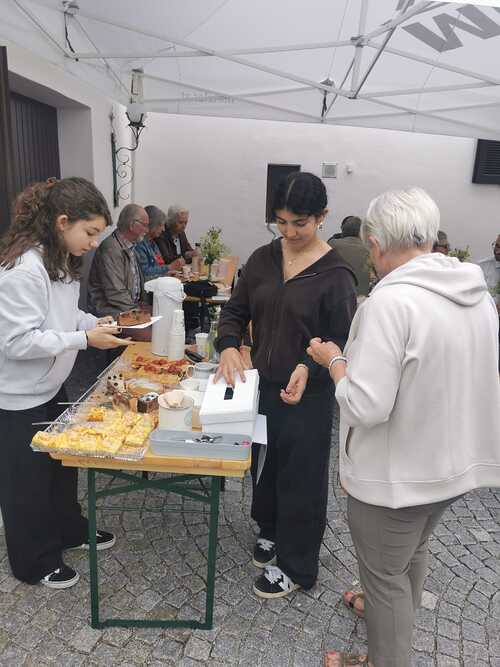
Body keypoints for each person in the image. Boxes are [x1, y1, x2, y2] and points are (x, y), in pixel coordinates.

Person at [307, 188, 500, 667]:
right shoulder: (476, 295)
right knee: (411, 551)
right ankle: (386, 613)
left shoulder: (390, 304)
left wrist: (334, 361)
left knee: (384, 576)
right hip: (450, 464)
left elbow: (365, 404)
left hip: (396, 475)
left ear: (374, 244)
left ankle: (383, 655)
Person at [214, 172, 357, 599]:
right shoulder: (262, 259)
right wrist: (228, 345)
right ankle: (270, 528)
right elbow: (235, 311)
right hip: (263, 385)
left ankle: (297, 566)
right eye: (281, 222)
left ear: (322, 216)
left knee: (302, 475)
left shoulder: (336, 274)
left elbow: (342, 340)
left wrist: (309, 367)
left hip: (308, 394)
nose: (290, 233)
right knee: (266, 462)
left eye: (300, 223)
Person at [0, 177, 133, 589]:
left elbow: (65, 315)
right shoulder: (24, 270)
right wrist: (84, 339)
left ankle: (69, 530)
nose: (93, 243)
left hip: (50, 385)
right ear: (62, 222)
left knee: (61, 468)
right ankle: (34, 561)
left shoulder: (60, 261)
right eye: (89, 232)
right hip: (18, 396)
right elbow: (17, 341)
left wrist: (96, 322)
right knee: (27, 484)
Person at [87, 203, 149, 317]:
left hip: (127, 307)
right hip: (108, 312)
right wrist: (137, 312)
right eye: (145, 225)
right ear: (132, 225)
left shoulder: (131, 246)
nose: (147, 230)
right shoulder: (111, 249)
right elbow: (115, 293)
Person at [134, 205, 185, 279]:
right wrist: (169, 267)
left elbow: (159, 264)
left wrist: (167, 273)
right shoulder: (140, 245)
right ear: (153, 225)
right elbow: (144, 273)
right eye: (161, 225)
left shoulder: (153, 242)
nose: (163, 229)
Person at [328, 215, 370, 296]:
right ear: (361, 232)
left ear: (342, 229)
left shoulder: (333, 244)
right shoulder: (368, 249)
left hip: (336, 295)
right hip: (361, 296)